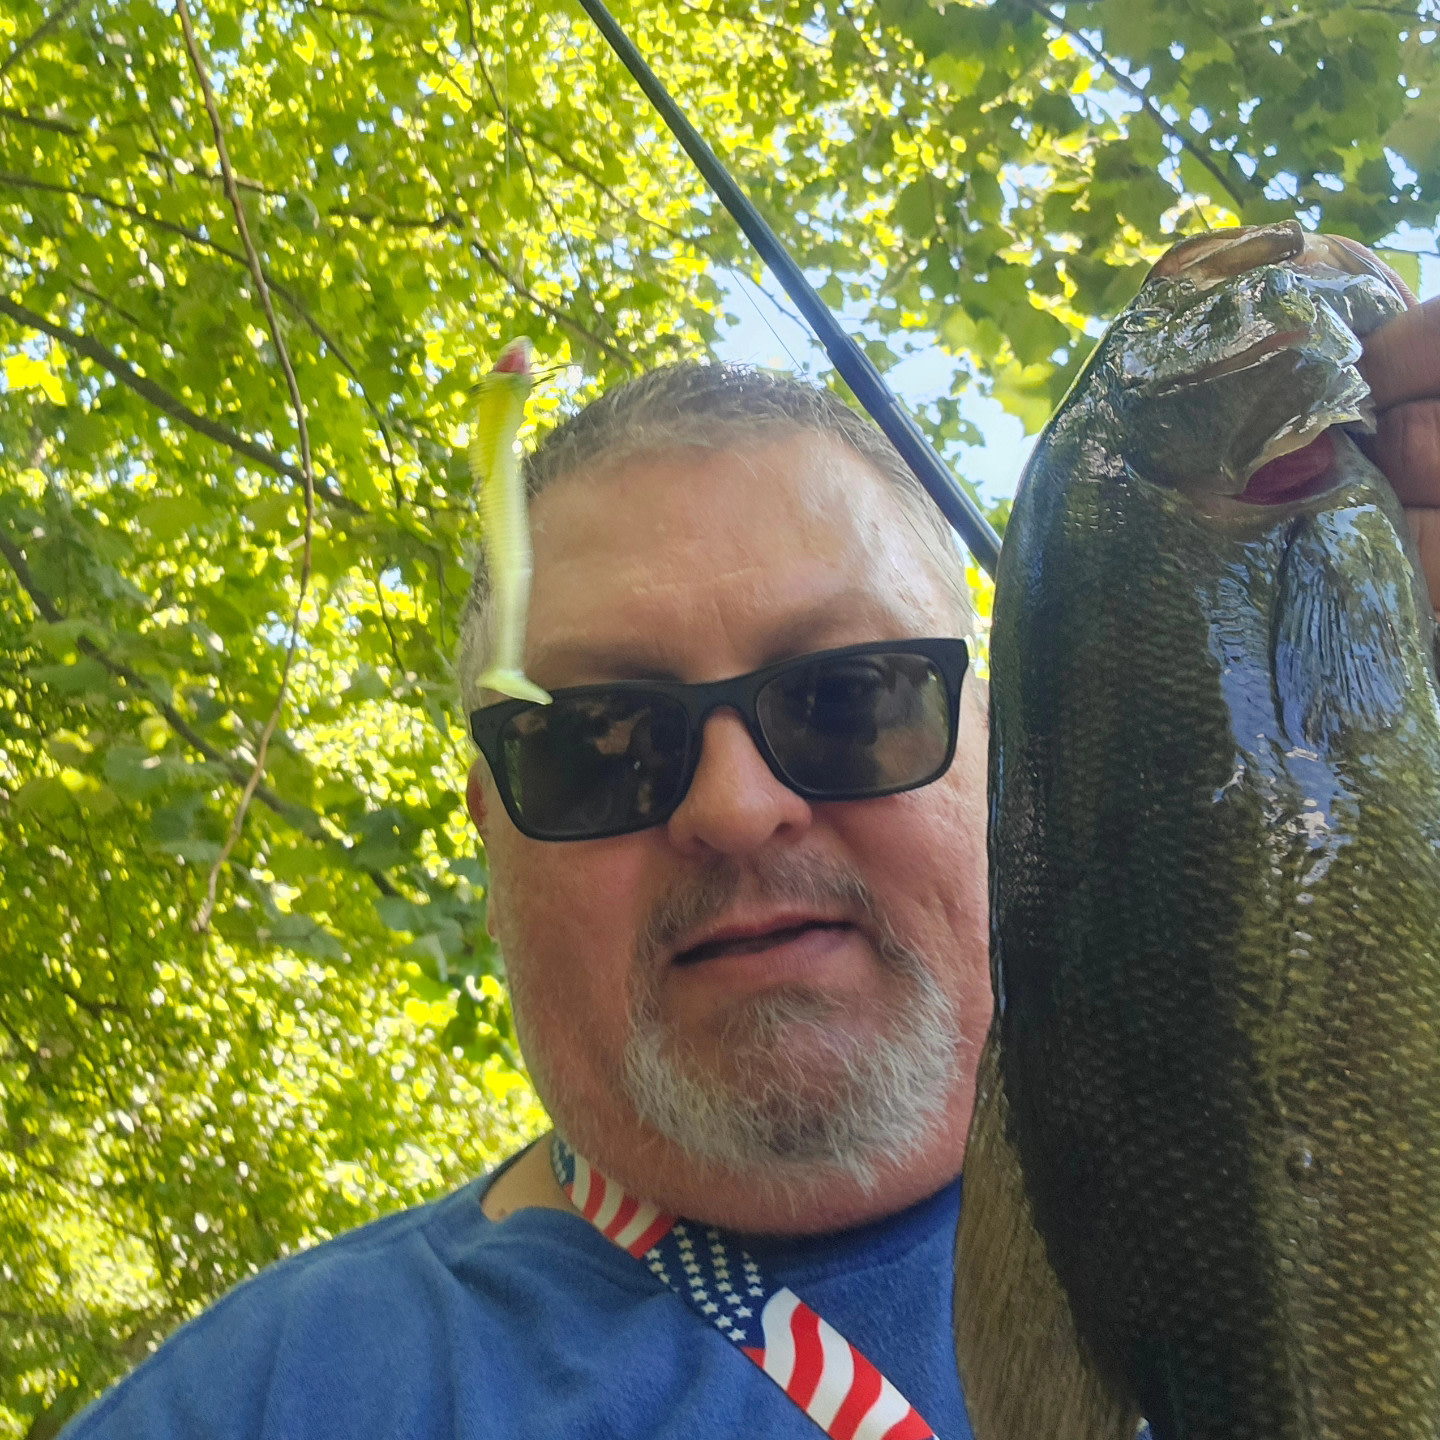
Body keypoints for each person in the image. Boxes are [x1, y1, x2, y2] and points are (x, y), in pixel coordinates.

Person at [60, 246, 1440, 1439]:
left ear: (1005, 745)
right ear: (491, 837)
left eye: (851, 698)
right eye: (600, 740)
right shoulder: (263, 1402)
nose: (732, 807)